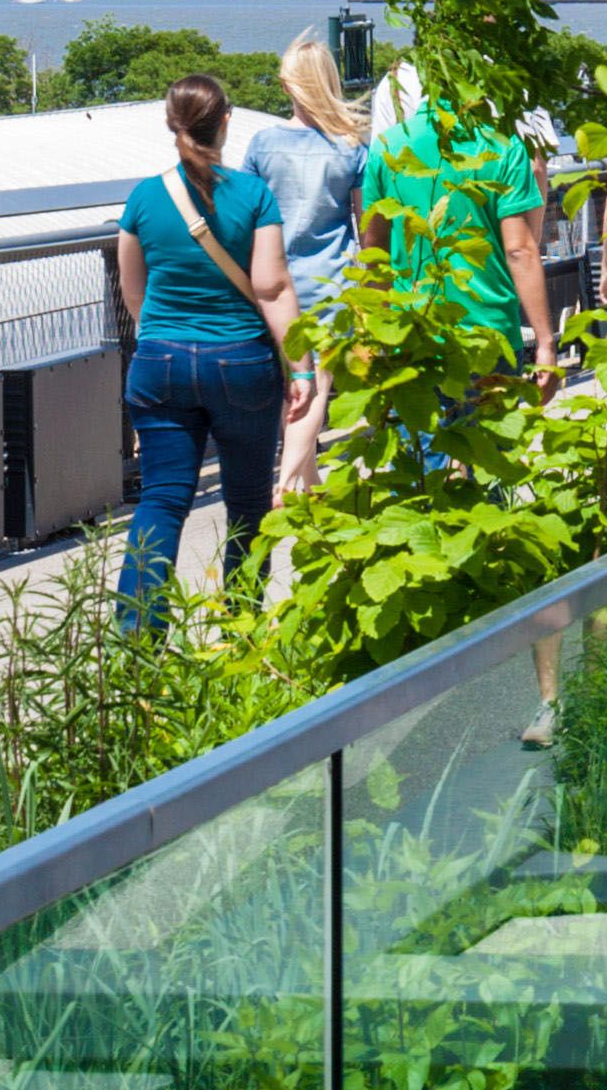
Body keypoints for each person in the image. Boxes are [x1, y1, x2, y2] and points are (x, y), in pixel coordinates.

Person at [115, 74, 300, 642]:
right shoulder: (254, 195)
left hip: (160, 364)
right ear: (225, 122)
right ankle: (240, 630)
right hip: (242, 363)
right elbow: (271, 287)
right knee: (248, 503)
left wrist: (165, 340)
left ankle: (138, 641)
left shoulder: (145, 196)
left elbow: (133, 291)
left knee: (162, 500)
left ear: (171, 124)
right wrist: (302, 366)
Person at [360, 60, 555, 380]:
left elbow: (374, 249)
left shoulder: (387, 147)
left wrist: (373, 333)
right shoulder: (504, 147)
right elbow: (519, 249)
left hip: (412, 333)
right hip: (490, 333)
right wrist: (545, 341)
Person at [249, 37, 370, 490]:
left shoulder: (262, 145)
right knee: (315, 383)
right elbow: (365, 223)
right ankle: (288, 483)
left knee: (292, 382)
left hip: (271, 282)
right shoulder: (351, 147)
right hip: (331, 281)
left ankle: (303, 481)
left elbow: (244, 216)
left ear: (287, 84)